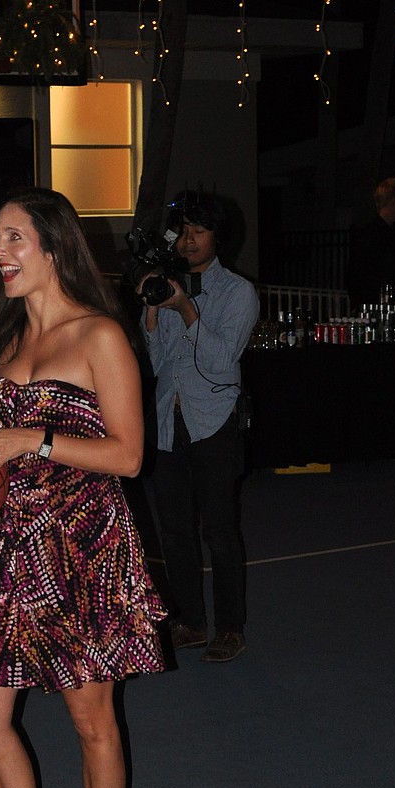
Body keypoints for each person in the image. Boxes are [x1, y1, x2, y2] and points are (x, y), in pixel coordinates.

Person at [0, 187, 167, 788]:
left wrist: (31, 439)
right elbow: (10, 450)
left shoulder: (100, 335)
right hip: (13, 542)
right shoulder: (11, 342)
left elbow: (131, 455)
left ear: (52, 247)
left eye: (15, 239)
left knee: (91, 719)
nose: (0, 253)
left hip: (83, 544)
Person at [141, 191, 259, 664]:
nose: (188, 240)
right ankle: (188, 621)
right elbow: (155, 359)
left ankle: (230, 627)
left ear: (218, 237)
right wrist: (153, 306)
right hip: (168, 421)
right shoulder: (168, 284)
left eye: (199, 231)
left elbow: (217, 361)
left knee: (220, 530)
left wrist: (186, 308)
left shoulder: (237, 292)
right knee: (174, 531)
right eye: (183, 230)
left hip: (213, 422)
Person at [346, 177, 395, 310]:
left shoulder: (394, 232)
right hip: (376, 304)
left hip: (384, 302)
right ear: (394, 202)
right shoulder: (372, 235)